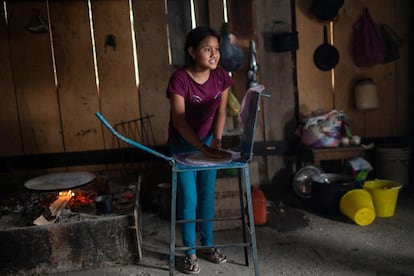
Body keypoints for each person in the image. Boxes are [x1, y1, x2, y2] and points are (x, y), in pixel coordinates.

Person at [166, 26, 233, 274]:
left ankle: (207, 246)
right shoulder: (180, 80)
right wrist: (201, 148)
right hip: (183, 144)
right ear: (192, 52)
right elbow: (179, 120)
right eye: (207, 49)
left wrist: (216, 139)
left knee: (206, 195)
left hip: (207, 143)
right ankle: (189, 253)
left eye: (216, 49)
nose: (214, 54)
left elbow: (222, 111)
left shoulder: (221, 77)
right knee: (189, 199)